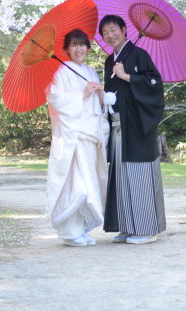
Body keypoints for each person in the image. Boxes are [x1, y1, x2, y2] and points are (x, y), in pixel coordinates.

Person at [100, 14, 166, 244]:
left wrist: (127, 76)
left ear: (124, 30)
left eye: (113, 29)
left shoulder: (139, 55)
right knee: (121, 176)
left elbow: (155, 86)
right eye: (105, 32)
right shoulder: (110, 60)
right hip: (118, 126)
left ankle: (147, 229)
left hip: (137, 126)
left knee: (139, 175)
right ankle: (128, 225)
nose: (110, 35)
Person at [45, 28, 109, 247]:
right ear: (66, 49)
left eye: (82, 44)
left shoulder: (91, 72)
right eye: (74, 45)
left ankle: (79, 228)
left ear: (88, 48)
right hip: (74, 135)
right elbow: (54, 99)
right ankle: (69, 232)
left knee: (89, 180)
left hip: (90, 133)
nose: (79, 49)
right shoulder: (61, 72)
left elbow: (99, 107)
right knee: (77, 184)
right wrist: (81, 95)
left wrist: (100, 95)